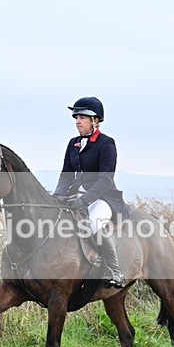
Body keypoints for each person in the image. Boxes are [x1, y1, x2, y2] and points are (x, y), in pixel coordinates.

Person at [52, 96, 128, 288]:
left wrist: (84, 200)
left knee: (93, 224)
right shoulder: (73, 143)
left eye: (83, 117)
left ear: (95, 120)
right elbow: (66, 174)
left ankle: (115, 271)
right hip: (77, 194)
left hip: (103, 197)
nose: (77, 121)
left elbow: (105, 179)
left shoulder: (106, 143)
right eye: (76, 117)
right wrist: (58, 195)